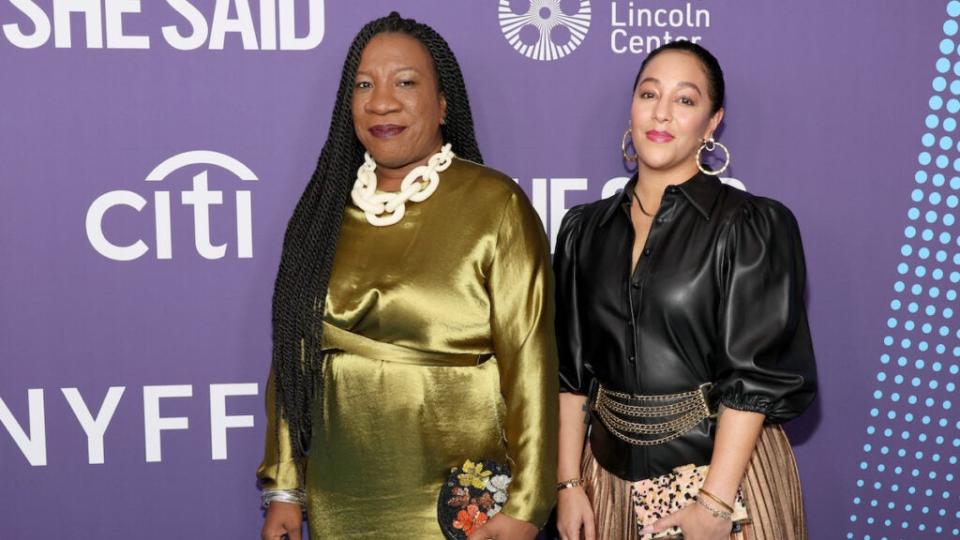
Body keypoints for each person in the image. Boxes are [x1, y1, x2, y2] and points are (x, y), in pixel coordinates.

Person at [256, 12, 558, 540]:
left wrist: (526, 507)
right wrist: (285, 489)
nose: (381, 102)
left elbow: (530, 367)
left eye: (406, 82)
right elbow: (292, 356)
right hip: (340, 497)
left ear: (443, 105)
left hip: (459, 503)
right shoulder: (321, 213)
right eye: (364, 85)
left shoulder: (496, 204)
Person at [553, 41, 817, 540]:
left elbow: (753, 377)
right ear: (631, 107)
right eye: (649, 94)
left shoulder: (751, 226)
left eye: (685, 100)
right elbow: (570, 375)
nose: (662, 112)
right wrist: (568, 483)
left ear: (713, 122)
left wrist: (714, 506)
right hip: (606, 482)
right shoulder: (582, 230)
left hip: (724, 485)